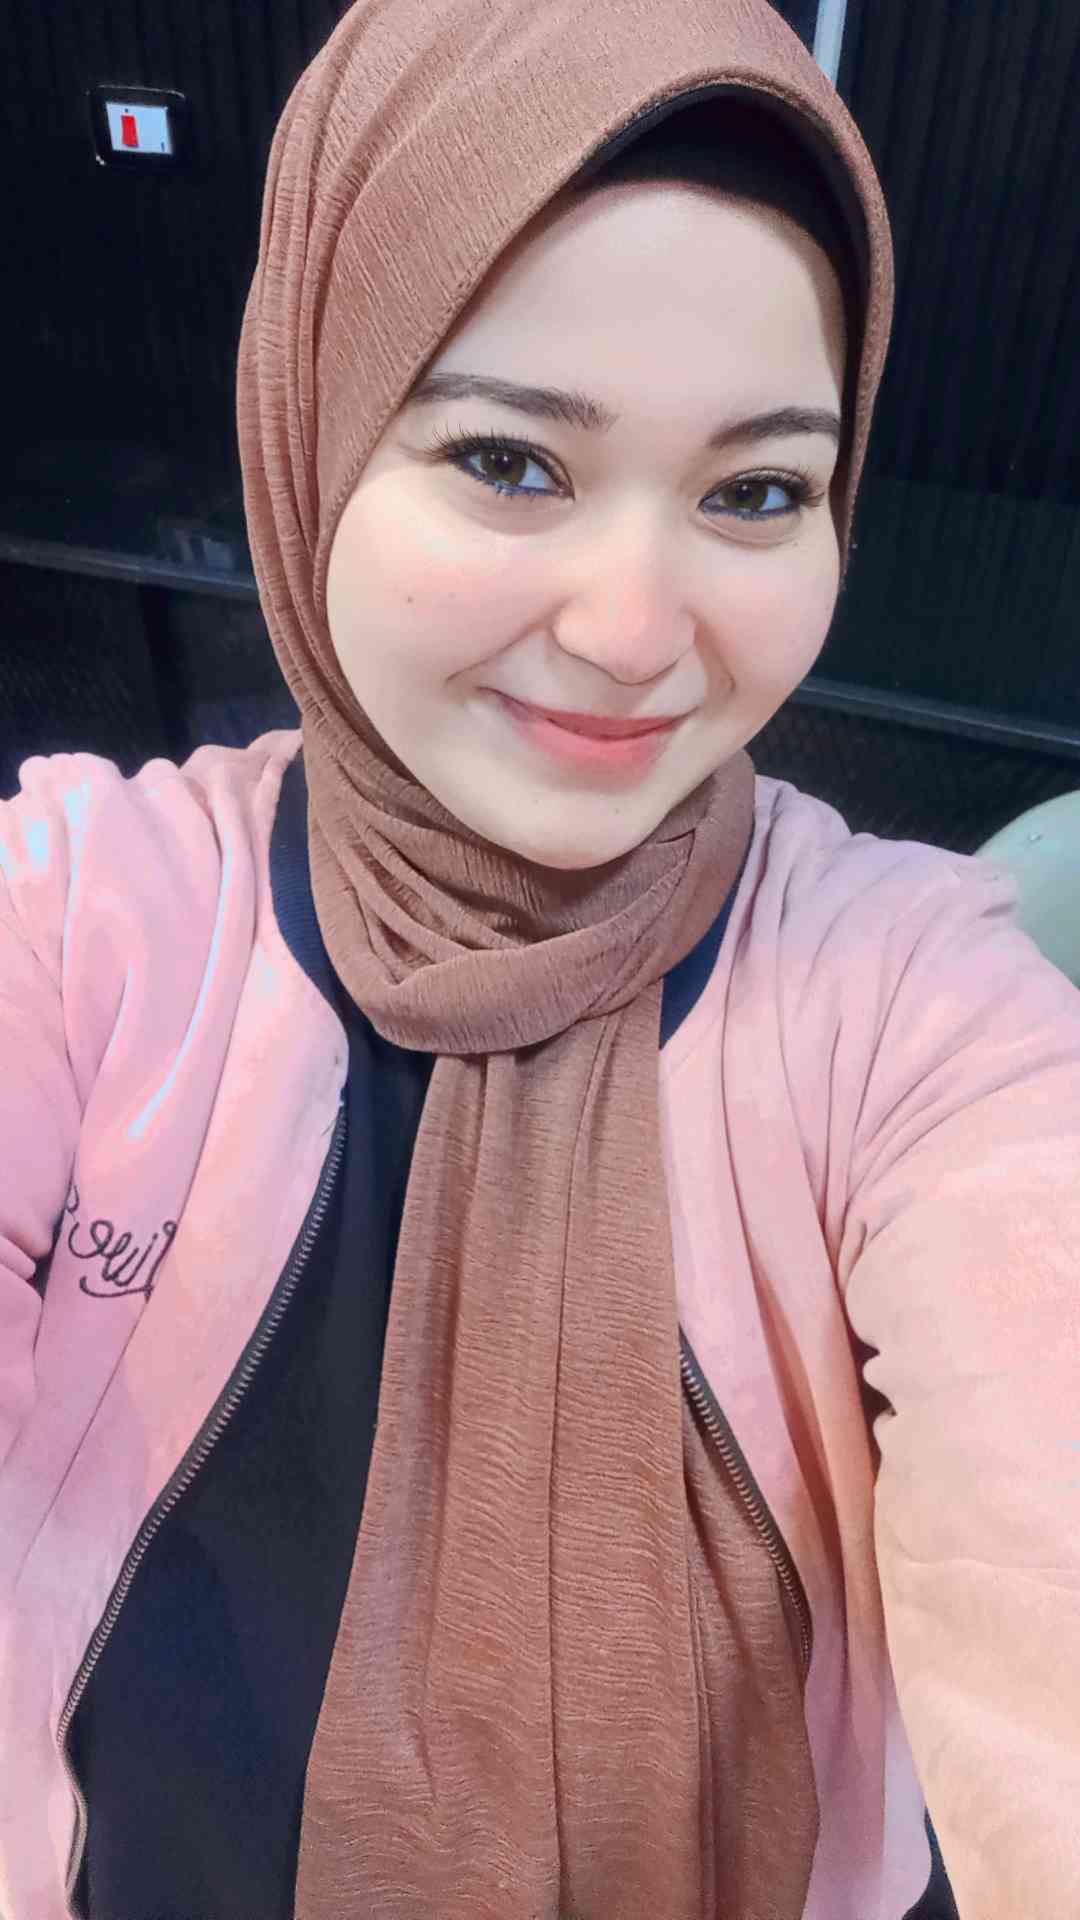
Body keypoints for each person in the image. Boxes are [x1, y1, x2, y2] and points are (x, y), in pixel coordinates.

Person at [1, 0, 1078, 1914]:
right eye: (510, 460)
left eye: (756, 492)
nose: (636, 628)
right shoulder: (80, 921)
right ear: (315, 426)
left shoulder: (909, 1004)